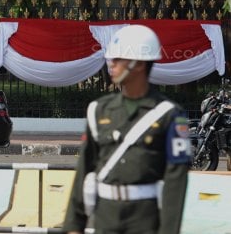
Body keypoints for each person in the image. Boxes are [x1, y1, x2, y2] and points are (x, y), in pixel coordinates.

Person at [63, 25, 191, 234]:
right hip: (105, 216)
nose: (111, 65)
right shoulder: (99, 110)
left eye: (118, 59)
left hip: (145, 218)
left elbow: (175, 180)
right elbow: (85, 169)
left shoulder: (169, 115)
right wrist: (73, 225)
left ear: (138, 63)